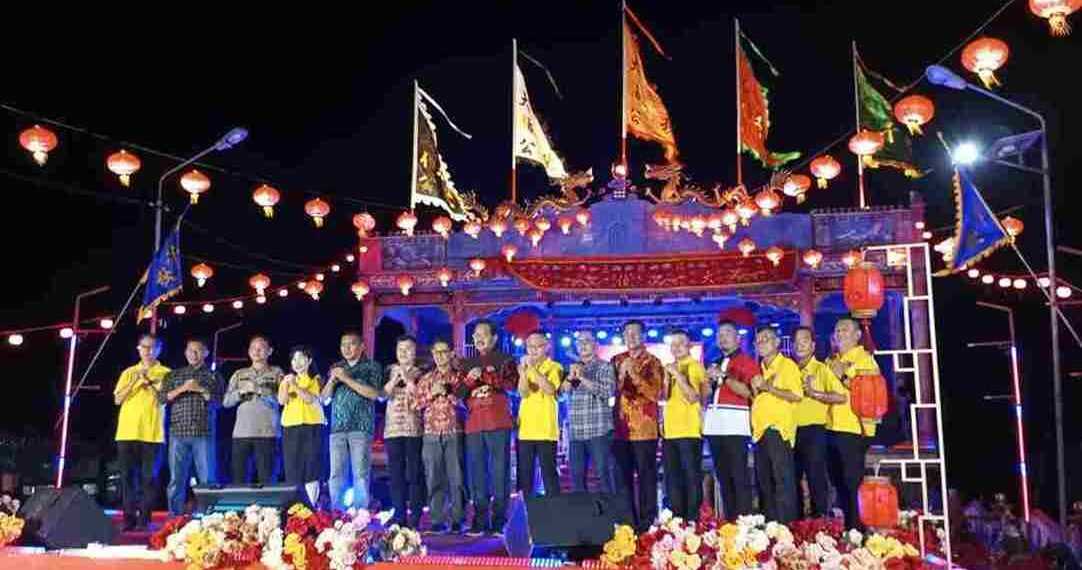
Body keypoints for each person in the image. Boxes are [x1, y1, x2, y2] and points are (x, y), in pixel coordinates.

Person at [459, 320, 517, 535]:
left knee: (499, 473)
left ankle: (499, 520)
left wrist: (484, 376)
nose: (478, 338)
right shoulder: (466, 362)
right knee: (477, 474)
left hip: (499, 423)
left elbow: (512, 385)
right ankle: (479, 519)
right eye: (475, 335)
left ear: (494, 338)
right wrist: (467, 380)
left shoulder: (506, 359)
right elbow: (458, 394)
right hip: (474, 425)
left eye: (483, 334)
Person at [826, 316, 882, 530]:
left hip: (853, 428)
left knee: (852, 483)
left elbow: (869, 394)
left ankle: (858, 531)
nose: (840, 333)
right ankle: (848, 528)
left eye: (845, 330)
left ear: (858, 335)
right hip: (831, 427)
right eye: (837, 330)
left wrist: (843, 376)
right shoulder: (832, 359)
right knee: (837, 481)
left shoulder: (865, 359)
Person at [160, 338, 225, 515]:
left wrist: (200, 389)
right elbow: (162, 398)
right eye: (190, 350)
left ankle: (210, 518)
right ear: (185, 352)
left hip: (203, 433)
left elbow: (220, 402)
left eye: (198, 351)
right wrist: (183, 388)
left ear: (205, 353)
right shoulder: (174, 375)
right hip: (177, 433)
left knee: (208, 479)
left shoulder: (213, 376)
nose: (193, 354)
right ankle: (175, 519)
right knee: (176, 480)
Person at [113, 334, 171, 529]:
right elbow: (118, 400)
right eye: (144, 347)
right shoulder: (129, 372)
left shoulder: (166, 373)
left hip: (153, 434)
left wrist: (149, 380)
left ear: (159, 350)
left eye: (152, 347)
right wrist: (135, 381)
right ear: (138, 349)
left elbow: (164, 399)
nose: (148, 351)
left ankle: (144, 519)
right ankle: (128, 518)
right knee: (127, 478)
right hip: (126, 432)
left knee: (149, 479)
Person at [612, 320, 664, 531]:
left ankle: (647, 524)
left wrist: (632, 373)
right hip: (620, 429)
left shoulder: (653, 362)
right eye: (627, 333)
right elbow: (609, 391)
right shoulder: (616, 360)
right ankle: (626, 525)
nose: (631, 337)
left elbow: (655, 393)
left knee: (646, 478)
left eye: (635, 333)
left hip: (644, 429)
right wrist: (622, 375)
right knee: (622, 480)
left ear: (643, 335)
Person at [322, 332, 383, 510]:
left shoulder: (371, 366)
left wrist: (345, 378)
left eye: (352, 344)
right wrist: (333, 380)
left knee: (360, 474)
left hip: (360, 427)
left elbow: (373, 394)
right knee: (336, 474)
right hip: (337, 428)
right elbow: (324, 399)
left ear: (362, 346)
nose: (347, 348)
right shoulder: (336, 367)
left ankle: (360, 516)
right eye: (343, 345)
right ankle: (337, 514)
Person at [411, 339, 466, 533]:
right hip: (431, 433)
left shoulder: (460, 378)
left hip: (455, 431)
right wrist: (431, 395)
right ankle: (437, 520)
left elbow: (466, 402)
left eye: (444, 352)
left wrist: (448, 392)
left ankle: (459, 519)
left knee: (456, 477)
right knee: (434, 476)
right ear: (433, 354)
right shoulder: (426, 379)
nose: (441, 356)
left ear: (451, 353)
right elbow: (415, 405)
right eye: (437, 352)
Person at [703, 320, 757, 518]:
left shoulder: (746, 361)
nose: (722, 337)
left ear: (738, 338)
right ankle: (729, 522)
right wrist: (707, 381)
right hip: (715, 424)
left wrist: (724, 377)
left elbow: (749, 392)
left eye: (727, 333)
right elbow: (705, 394)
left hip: (735, 424)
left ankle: (745, 521)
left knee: (738, 476)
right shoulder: (714, 361)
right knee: (723, 477)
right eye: (719, 334)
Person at [751, 326, 803, 523]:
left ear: (778, 342)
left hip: (778, 429)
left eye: (767, 338)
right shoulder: (759, 368)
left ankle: (787, 525)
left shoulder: (787, 365)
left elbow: (796, 395)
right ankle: (771, 524)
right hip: (760, 431)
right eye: (759, 340)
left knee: (783, 479)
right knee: (765, 480)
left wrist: (768, 387)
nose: (763, 343)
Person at [792, 327, 843, 518]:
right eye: (796, 341)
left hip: (814, 430)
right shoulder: (790, 370)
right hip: (791, 430)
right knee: (792, 478)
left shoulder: (822, 369)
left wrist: (815, 394)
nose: (799, 345)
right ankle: (796, 525)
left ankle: (821, 522)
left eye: (804, 340)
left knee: (816, 478)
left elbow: (841, 397)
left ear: (813, 345)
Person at [662, 331, 709, 522]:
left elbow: (694, 397)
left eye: (681, 343)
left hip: (689, 432)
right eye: (673, 344)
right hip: (670, 433)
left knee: (691, 478)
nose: (677, 347)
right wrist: (667, 378)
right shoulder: (671, 368)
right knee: (672, 480)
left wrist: (677, 375)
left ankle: (692, 520)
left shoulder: (695, 366)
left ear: (689, 346)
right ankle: (676, 522)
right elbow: (664, 398)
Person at [223, 336, 283, 485]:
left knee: (267, 479)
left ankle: (268, 508)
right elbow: (226, 402)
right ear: (249, 352)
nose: (257, 351)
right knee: (239, 479)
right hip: (241, 434)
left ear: (269, 351)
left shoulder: (277, 373)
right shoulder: (239, 374)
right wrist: (241, 392)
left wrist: (260, 391)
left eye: (261, 348)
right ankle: (241, 508)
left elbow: (283, 400)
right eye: (253, 348)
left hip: (267, 433)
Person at [563, 331, 616, 494]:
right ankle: (583, 518)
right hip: (576, 432)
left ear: (595, 345)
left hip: (598, 430)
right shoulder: (572, 367)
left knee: (603, 476)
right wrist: (571, 377)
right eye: (579, 342)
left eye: (587, 341)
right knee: (577, 479)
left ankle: (609, 516)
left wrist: (583, 377)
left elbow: (608, 391)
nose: (582, 345)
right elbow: (562, 392)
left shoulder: (604, 366)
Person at [383, 336, 425, 528]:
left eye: (408, 349)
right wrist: (394, 380)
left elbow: (421, 396)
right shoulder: (390, 371)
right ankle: (399, 513)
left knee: (414, 473)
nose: (403, 353)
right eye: (400, 349)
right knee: (395, 474)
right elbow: (383, 396)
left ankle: (415, 513)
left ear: (415, 352)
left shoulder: (422, 372)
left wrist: (408, 380)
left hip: (414, 429)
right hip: (392, 430)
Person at [516, 331, 564, 498]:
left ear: (547, 347)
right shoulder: (524, 368)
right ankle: (527, 512)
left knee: (549, 473)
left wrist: (533, 370)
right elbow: (523, 393)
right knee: (525, 475)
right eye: (530, 346)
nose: (534, 350)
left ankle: (555, 511)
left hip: (546, 429)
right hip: (526, 429)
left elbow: (550, 389)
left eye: (539, 346)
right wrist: (523, 373)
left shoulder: (555, 366)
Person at [278, 346, 325, 506]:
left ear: (309, 360)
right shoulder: (288, 379)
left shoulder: (315, 378)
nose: (296, 363)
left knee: (311, 466)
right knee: (292, 467)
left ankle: (311, 505)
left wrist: (296, 386)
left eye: (301, 358)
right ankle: (294, 507)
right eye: (293, 359)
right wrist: (286, 384)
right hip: (290, 426)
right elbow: (281, 400)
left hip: (311, 426)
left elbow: (310, 398)